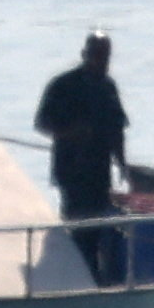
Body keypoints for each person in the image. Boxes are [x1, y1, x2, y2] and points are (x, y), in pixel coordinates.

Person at [33, 31, 130, 278]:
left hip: (99, 171)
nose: (101, 61)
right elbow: (42, 123)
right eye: (96, 55)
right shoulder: (63, 85)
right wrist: (70, 132)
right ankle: (77, 273)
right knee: (78, 225)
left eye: (105, 56)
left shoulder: (108, 87)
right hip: (71, 170)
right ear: (85, 54)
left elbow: (116, 129)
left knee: (99, 228)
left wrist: (123, 164)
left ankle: (95, 275)